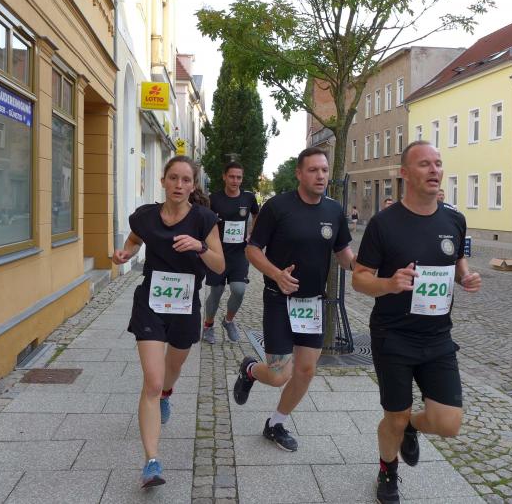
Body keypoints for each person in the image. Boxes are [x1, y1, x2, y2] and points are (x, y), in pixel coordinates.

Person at [352, 141, 482, 504]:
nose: (434, 170)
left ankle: (410, 426)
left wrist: (465, 277)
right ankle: (387, 470)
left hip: (438, 335)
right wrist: (389, 284)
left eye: (438, 163)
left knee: (448, 423)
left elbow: (457, 260)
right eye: (424, 164)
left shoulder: (454, 219)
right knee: (394, 417)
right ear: (405, 174)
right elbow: (359, 278)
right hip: (393, 335)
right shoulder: (383, 224)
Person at [233, 147, 356, 451]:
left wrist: (370, 265)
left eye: (324, 170)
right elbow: (252, 249)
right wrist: (276, 274)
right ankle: (250, 370)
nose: (321, 176)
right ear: (299, 173)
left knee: (306, 370)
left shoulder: (334, 211)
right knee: (278, 375)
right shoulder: (277, 207)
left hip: (312, 303)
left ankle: (276, 423)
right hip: (279, 299)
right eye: (313, 170)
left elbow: (344, 256)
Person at [112, 156, 224, 488]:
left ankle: (166, 395)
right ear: (163, 181)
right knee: (152, 380)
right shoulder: (146, 216)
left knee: (172, 369)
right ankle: (151, 461)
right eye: (173, 178)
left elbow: (219, 265)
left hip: (185, 304)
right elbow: (135, 239)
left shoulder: (204, 219)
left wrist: (199, 246)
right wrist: (126, 253)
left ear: (193, 185)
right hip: (150, 302)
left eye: (185, 180)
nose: (178, 184)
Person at [202, 161, 260, 343]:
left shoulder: (248, 198)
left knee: (239, 290)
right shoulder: (214, 199)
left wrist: (252, 234)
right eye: (232, 177)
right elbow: (204, 220)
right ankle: (208, 326)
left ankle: (228, 321)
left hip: (239, 253)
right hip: (217, 253)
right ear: (224, 177)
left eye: (239, 177)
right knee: (217, 291)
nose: (235, 181)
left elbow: (257, 215)